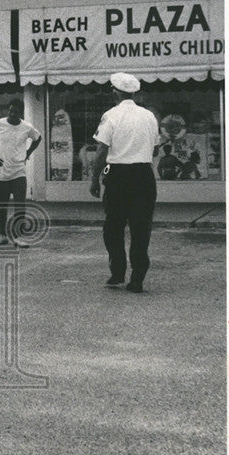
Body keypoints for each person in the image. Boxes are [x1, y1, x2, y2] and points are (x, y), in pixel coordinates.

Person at [89, 72, 159, 293]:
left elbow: (101, 150)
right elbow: (155, 148)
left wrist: (94, 178)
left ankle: (117, 271)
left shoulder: (111, 115)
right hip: (144, 175)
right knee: (141, 228)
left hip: (118, 176)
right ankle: (137, 278)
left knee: (113, 228)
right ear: (134, 92)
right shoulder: (149, 116)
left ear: (114, 93)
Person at [0, 98, 42, 247]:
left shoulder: (27, 127)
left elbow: (38, 138)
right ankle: (2, 235)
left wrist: (28, 152)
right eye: (10, 111)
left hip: (18, 172)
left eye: (15, 112)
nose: (12, 114)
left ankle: (18, 237)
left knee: (20, 205)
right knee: (1, 205)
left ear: (21, 113)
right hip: (1, 172)